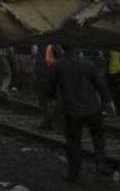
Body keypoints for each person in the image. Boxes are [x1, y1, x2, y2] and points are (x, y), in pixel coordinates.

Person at [47, 48, 113, 181]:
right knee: (98, 136)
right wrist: (107, 100)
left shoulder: (57, 66)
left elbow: (51, 88)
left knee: (73, 142)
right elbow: (100, 84)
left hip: (72, 110)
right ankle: (100, 162)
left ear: (61, 48)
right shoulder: (88, 64)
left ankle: (74, 172)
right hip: (93, 108)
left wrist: (53, 100)